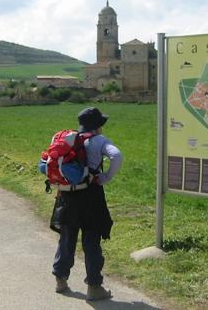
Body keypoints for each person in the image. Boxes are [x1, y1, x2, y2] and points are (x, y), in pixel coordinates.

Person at [52, 107, 123, 301]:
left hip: (67, 195)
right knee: (91, 240)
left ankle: (60, 280)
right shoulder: (99, 140)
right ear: (98, 126)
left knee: (67, 238)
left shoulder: (69, 139)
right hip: (91, 195)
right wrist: (106, 177)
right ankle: (94, 287)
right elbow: (116, 155)